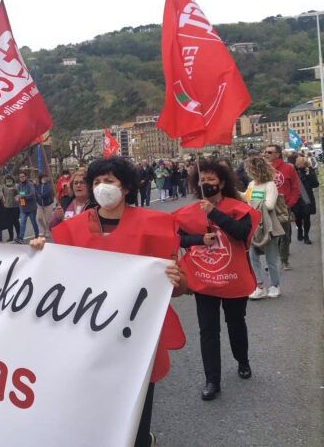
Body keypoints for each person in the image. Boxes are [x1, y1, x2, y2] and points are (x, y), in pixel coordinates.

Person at [30, 157, 186, 447]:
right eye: (97, 182)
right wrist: (39, 253)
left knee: (138, 406)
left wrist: (178, 280)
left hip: (136, 336)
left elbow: (175, 286)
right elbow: (59, 277)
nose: (102, 187)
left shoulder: (153, 226)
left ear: (125, 187)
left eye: (109, 181)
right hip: (92, 335)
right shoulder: (73, 229)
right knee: (96, 406)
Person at [174, 160, 259, 401]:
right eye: (202, 179)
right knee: (208, 330)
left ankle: (242, 360)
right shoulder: (190, 211)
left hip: (233, 277)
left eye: (211, 179)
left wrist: (213, 213)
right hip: (204, 280)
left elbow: (242, 233)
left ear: (221, 183)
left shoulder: (238, 208)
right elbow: (178, 238)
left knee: (236, 322)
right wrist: (199, 239)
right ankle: (212, 380)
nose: (206, 183)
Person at [244, 157, 285, 299]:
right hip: (253, 226)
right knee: (252, 257)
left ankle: (275, 285)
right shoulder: (251, 184)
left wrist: (252, 205)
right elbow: (246, 197)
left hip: (268, 226)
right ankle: (259, 286)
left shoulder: (270, 185)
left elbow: (270, 205)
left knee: (271, 259)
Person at [264, 144, 299, 270]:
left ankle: (284, 260)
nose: (266, 154)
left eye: (269, 152)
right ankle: (271, 262)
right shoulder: (264, 169)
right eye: (265, 152)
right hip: (267, 207)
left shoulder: (288, 168)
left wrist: (289, 204)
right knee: (269, 236)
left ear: (277, 154)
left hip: (284, 207)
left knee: (284, 236)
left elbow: (296, 188)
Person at [293, 156, 318, 244]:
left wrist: (309, 175)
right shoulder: (293, 171)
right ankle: (300, 230)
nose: (301, 167)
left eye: (303, 165)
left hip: (307, 198)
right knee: (298, 218)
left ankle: (306, 236)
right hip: (296, 199)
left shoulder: (309, 170)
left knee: (307, 218)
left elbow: (315, 184)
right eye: (300, 165)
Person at [16, 171, 38, 243]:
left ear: (26, 177)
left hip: (31, 207)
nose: (21, 178)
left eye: (23, 176)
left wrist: (22, 196)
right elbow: (20, 193)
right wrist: (18, 197)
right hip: (23, 208)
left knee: (33, 222)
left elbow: (32, 195)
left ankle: (37, 235)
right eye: (20, 177)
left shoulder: (30, 184)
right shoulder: (19, 185)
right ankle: (21, 238)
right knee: (22, 222)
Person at [0, 174, 21, 241]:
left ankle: (18, 235)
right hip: (7, 207)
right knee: (9, 223)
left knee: (16, 222)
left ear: (12, 180)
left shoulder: (16, 186)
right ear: (5, 180)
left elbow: (23, 193)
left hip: (15, 207)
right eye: (7, 180)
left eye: (10, 180)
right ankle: (11, 236)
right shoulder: (3, 187)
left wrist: (16, 191)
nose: (9, 181)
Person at [35, 172, 55, 237]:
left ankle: (47, 231)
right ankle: (45, 229)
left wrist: (40, 195)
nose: (44, 178)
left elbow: (48, 193)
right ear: (40, 178)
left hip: (48, 204)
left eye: (45, 177)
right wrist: (38, 197)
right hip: (40, 205)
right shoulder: (38, 186)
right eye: (43, 177)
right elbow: (36, 192)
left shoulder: (49, 185)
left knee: (47, 220)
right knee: (39, 218)